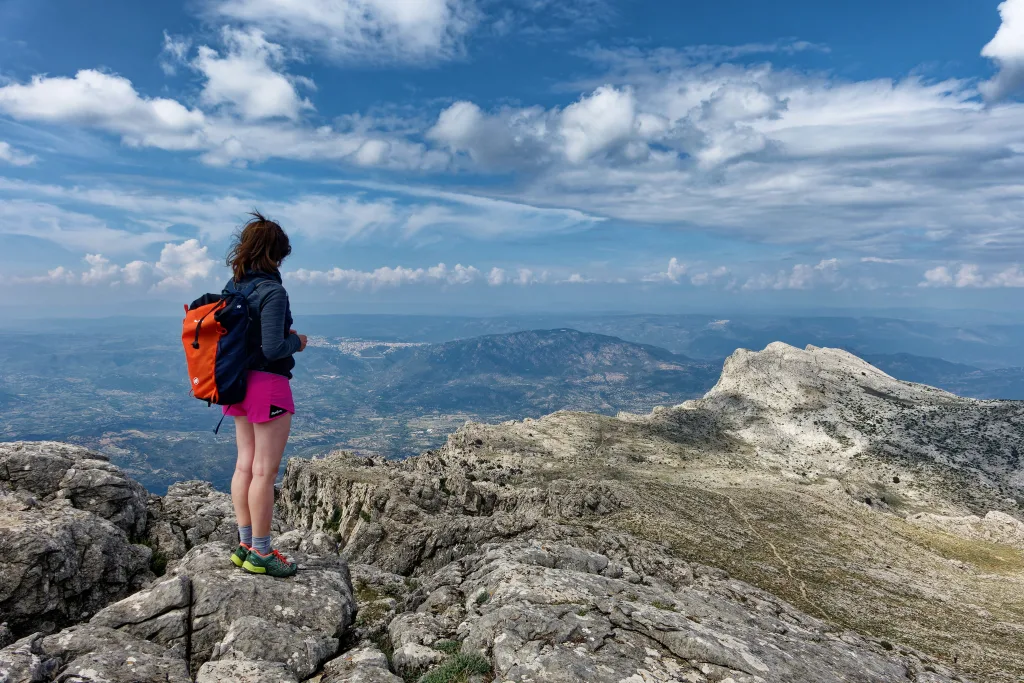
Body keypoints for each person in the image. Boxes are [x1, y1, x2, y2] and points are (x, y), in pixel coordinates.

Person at [223, 211, 307, 578]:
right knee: (264, 472)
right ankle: (261, 553)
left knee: (244, 465)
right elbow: (274, 348)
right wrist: (298, 342)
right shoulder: (272, 291)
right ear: (275, 254)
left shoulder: (234, 288)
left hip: (237, 383)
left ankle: (244, 545)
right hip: (267, 385)